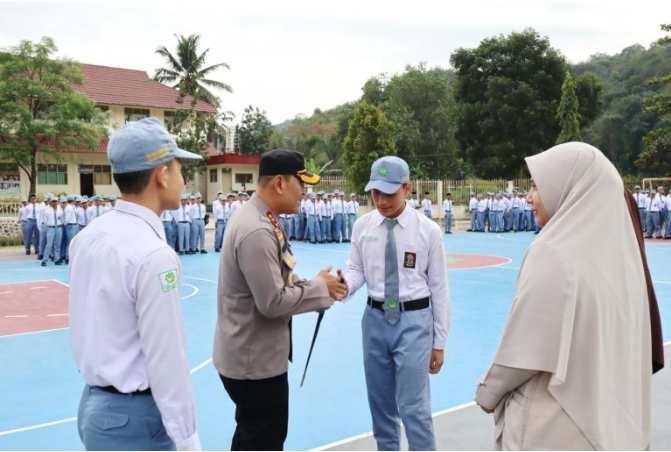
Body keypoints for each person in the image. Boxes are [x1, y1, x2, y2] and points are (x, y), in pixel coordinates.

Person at [475, 142, 661, 450]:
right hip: (608, 427)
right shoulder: (624, 260)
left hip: (553, 424)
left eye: (537, 185)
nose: (529, 197)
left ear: (566, 187)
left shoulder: (553, 252)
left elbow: (525, 349)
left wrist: (488, 391)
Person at [68, 117, 202, 451]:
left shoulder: (88, 237)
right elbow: (167, 361)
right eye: (179, 168)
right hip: (135, 420)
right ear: (162, 174)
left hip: (95, 406)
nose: (183, 179)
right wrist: (188, 441)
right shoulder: (153, 254)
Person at [213, 149, 348, 451]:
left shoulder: (263, 218)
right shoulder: (257, 230)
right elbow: (272, 301)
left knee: (253, 436)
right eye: (301, 183)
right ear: (279, 183)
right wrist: (319, 289)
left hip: (254, 356)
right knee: (263, 440)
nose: (305, 192)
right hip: (255, 364)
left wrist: (322, 286)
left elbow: (280, 279)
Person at [344, 156, 450, 451]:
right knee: (380, 404)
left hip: (414, 323)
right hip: (375, 321)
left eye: (389, 193)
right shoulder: (363, 227)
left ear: (407, 188)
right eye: (375, 192)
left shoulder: (427, 231)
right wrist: (344, 287)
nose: (381, 200)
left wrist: (439, 342)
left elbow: (439, 289)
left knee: (413, 407)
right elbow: (357, 270)